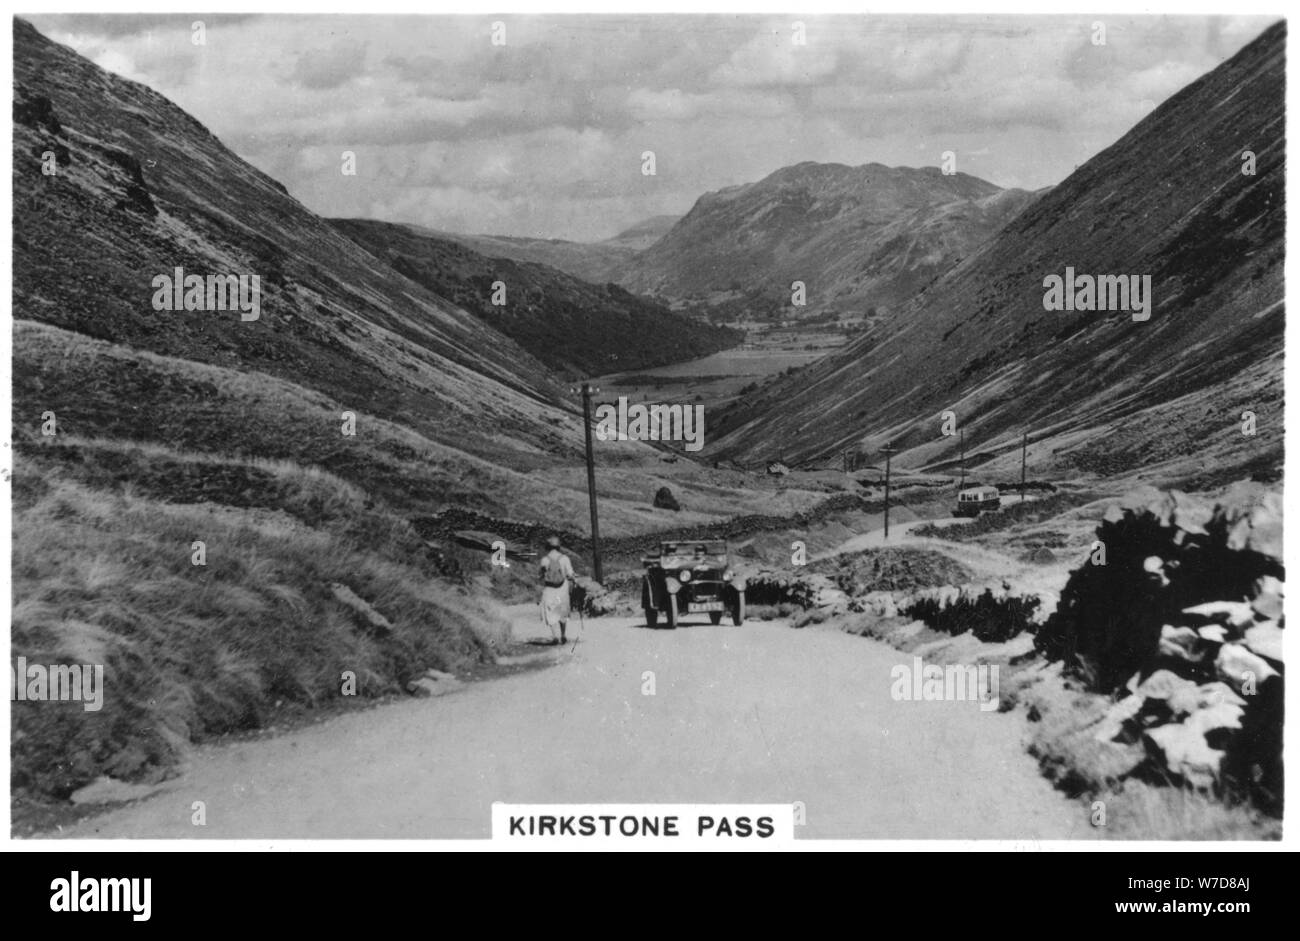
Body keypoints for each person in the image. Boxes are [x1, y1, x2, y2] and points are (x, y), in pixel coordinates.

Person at [539, 535, 575, 645]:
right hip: (562, 587)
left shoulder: (544, 560)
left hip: (549, 588)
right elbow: (570, 574)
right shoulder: (564, 558)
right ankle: (563, 635)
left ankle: (555, 636)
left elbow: (540, 575)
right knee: (562, 611)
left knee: (551, 612)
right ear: (558, 546)